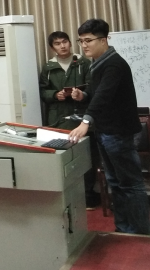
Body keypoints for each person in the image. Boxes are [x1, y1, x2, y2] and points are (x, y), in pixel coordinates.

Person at [68, 19, 149, 235]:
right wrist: (83, 95)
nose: (84, 45)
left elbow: (103, 96)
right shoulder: (98, 63)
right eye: (81, 41)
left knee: (130, 184)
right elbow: (97, 93)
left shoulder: (114, 64)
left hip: (118, 133)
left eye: (88, 40)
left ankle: (141, 232)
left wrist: (86, 121)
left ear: (104, 40)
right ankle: (124, 228)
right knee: (115, 182)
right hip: (105, 131)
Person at [39, 30, 97, 208]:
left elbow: (93, 87)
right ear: (52, 48)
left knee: (87, 156)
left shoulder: (83, 62)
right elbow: (42, 91)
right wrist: (54, 95)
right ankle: (67, 195)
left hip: (82, 117)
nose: (62, 46)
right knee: (63, 158)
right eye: (57, 44)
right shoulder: (48, 67)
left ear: (70, 43)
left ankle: (88, 194)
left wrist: (82, 94)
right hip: (58, 118)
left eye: (65, 42)